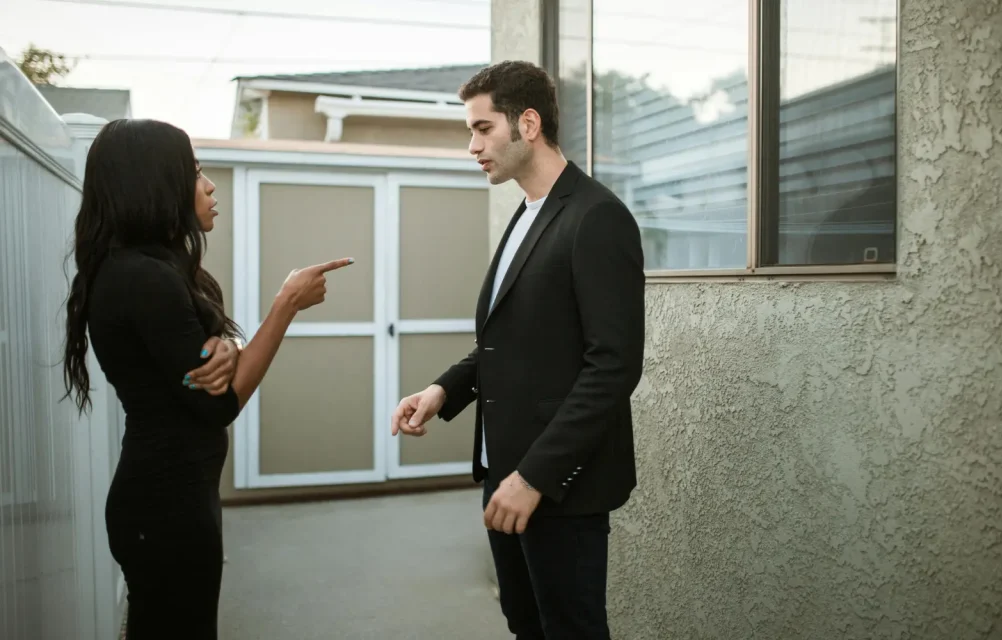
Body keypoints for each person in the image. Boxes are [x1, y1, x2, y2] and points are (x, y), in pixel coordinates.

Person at [61, 118, 353, 639]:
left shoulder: (145, 269)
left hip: (171, 500)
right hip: (166, 508)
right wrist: (285, 306)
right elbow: (220, 402)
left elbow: (214, 359)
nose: (210, 185)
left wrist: (230, 345)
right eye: (195, 173)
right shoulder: (146, 279)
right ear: (156, 185)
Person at [391, 61, 645, 639]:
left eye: (482, 129)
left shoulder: (597, 217)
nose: (472, 146)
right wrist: (443, 389)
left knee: (570, 631)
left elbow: (613, 367)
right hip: (503, 473)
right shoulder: (527, 213)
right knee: (525, 624)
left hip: (557, 484)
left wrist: (533, 477)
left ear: (527, 123)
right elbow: (511, 341)